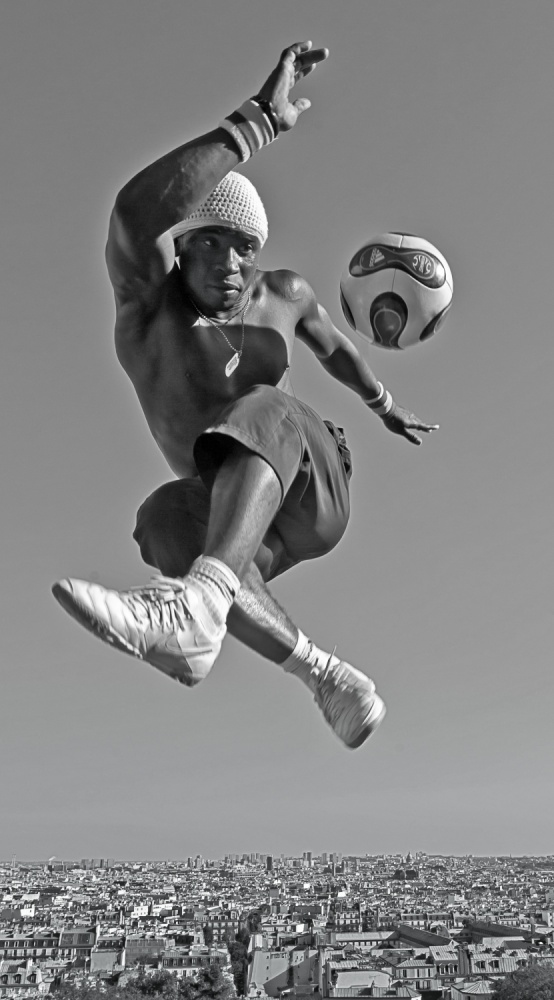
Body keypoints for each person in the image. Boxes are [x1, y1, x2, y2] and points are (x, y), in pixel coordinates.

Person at [52, 41, 438, 750]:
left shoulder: (282, 294)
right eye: (217, 245)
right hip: (245, 521)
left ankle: (195, 607)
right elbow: (130, 216)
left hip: (313, 485)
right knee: (163, 523)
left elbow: (338, 349)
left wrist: (385, 406)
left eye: (247, 249)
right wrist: (256, 123)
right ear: (186, 244)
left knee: (264, 406)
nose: (234, 265)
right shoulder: (147, 308)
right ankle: (325, 678)